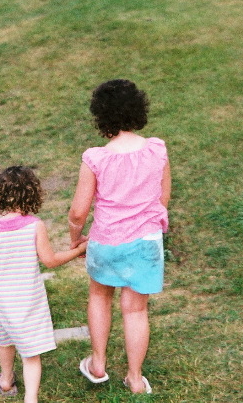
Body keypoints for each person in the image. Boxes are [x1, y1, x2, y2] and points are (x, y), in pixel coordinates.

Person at [68, 79, 171, 394]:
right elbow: (163, 196)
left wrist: (76, 238)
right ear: (138, 109)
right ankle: (136, 379)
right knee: (136, 309)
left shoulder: (96, 158)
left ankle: (98, 364)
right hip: (145, 242)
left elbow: (77, 212)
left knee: (100, 296)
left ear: (101, 116)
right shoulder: (156, 149)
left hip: (107, 240)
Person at [0, 166, 88, 403]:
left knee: (5, 338)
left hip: (0, 298)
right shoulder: (34, 225)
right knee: (30, 353)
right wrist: (80, 250)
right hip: (27, 298)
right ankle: (30, 399)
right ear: (33, 194)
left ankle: (6, 380)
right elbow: (50, 260)